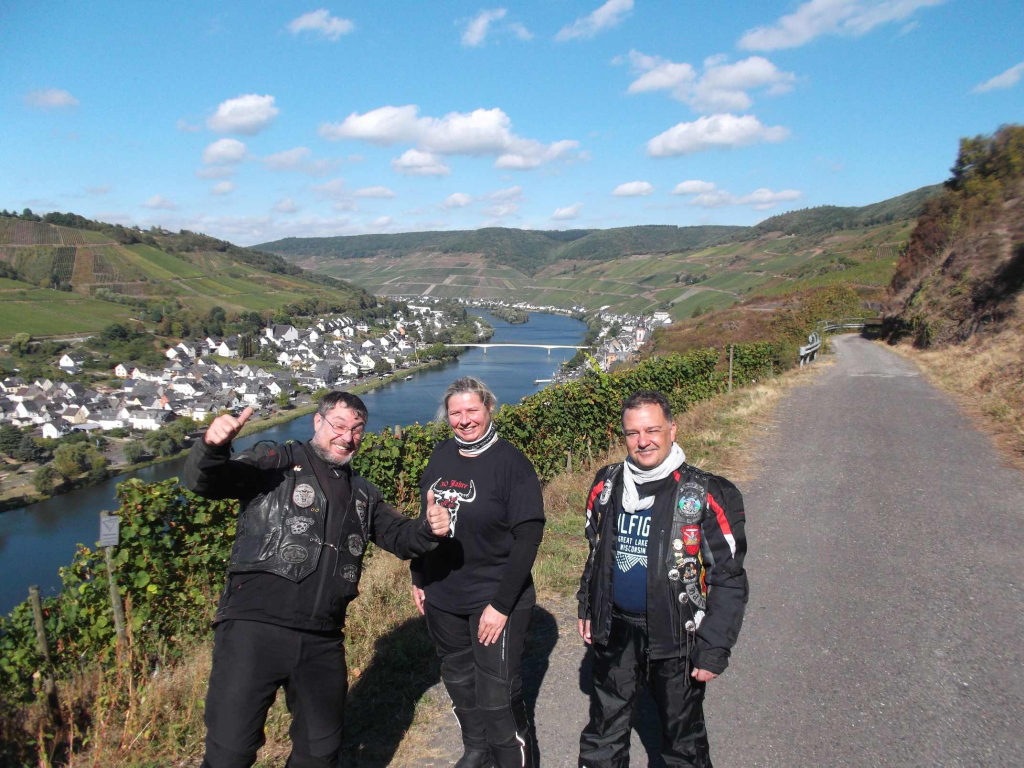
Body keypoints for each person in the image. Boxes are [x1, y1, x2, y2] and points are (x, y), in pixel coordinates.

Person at [184, 391, 451, 768]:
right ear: (317, 422)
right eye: (339, 426)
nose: (347, 437)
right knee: (231, 750)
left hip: (322, 638)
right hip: (253, 628)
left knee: (321, 749)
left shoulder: (363, 494)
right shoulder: (275, 461)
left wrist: (429, 528)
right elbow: (209, 481)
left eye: (357, 430)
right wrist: (212, 448)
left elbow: (400, 537)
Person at [576, 390, 748, 768]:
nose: (643, 441)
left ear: (672, 429)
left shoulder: (707, 493)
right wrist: (588, 606)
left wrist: (714, 648)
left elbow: (728, 577)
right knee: (604, 731)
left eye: (652, 430)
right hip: (616, 630)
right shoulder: (606, 485)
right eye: (632, 433)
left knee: (682, 739)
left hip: (677, 635)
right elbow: (595, 552)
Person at [410, 377, 545, 768]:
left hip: (494, 597)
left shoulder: (511, 464)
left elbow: (528, 537)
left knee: (497, 697)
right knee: (460, 683)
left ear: (488, 409)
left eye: (472, 410)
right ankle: (477, 750)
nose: (464, 419)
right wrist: (418, 573)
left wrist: (501, 605)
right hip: (443, 594)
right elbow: (426, 517)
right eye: (456, 412)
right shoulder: (441, 454)